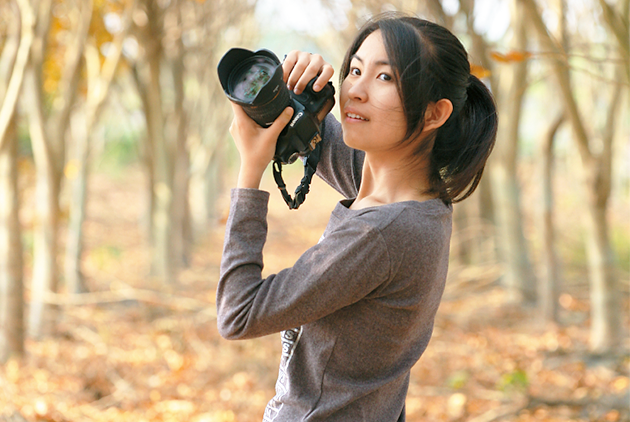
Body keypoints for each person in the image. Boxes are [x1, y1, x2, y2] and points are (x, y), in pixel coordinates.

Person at [217, 12, 497, 421]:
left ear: (435, 114)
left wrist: (249, 174)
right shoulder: (414, 197)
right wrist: (294, 89)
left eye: (386, 78)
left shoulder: (382, 232)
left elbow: (238, 314)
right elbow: (321, 137)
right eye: (355, 70)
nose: (355, 92)